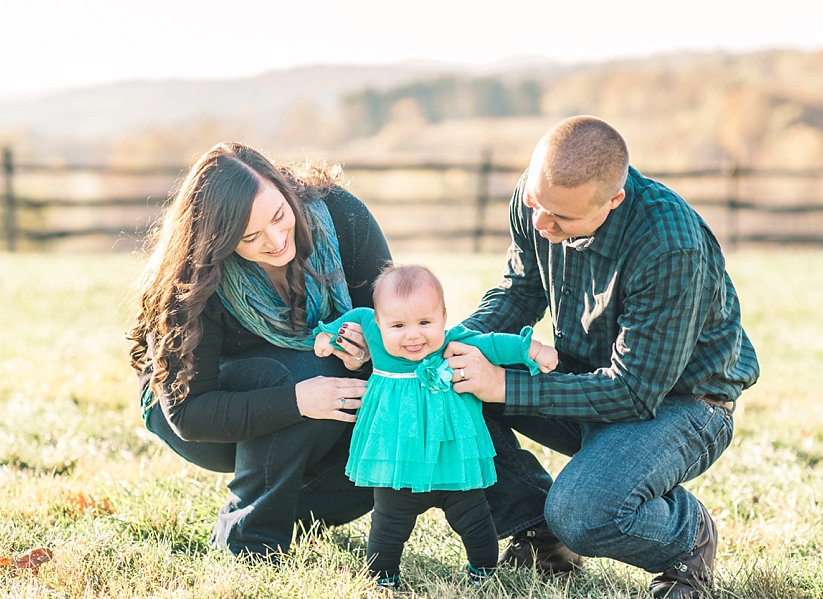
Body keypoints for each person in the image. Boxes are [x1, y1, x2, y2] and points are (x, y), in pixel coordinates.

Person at [443, 116, 760, 598]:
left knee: (583, 513)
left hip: (681, 405)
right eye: (534, 203)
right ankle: (537, 533)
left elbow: (633, 391)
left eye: (561, 219)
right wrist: (444, 349)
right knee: (451, 385)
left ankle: (686, 536)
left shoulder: (670, 245)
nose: (539, 224)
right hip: (587, 376)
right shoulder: (542, 197)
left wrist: (502, 384)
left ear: (613, 201)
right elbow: (520, 291)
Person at [126, 142, 392, 558]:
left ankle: (288, 510)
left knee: (391, 457)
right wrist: (299, 401)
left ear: (283, 187)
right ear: (218, 239)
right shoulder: (190, 278)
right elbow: (188, 414)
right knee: (304, 372)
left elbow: (398, 324)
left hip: (319, 388)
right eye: (249, 237)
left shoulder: (341, 215)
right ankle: (248, 541)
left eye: (279, 216)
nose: (276, 240)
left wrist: (370, 350)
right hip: (202, 416)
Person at [313, 264, 558, 588]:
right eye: (398, 325)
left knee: (475, 519)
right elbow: (352, 319)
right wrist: (328, 335)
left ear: (443, 317)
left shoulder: (452, 342)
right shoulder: (370, 328)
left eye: (425, 322)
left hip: (452, 463)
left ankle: (482, 570)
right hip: (399, 465)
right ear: (380, 324)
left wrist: (531, 348)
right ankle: (382, 578)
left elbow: (494, 344)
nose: (413, 335)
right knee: (388, 524)